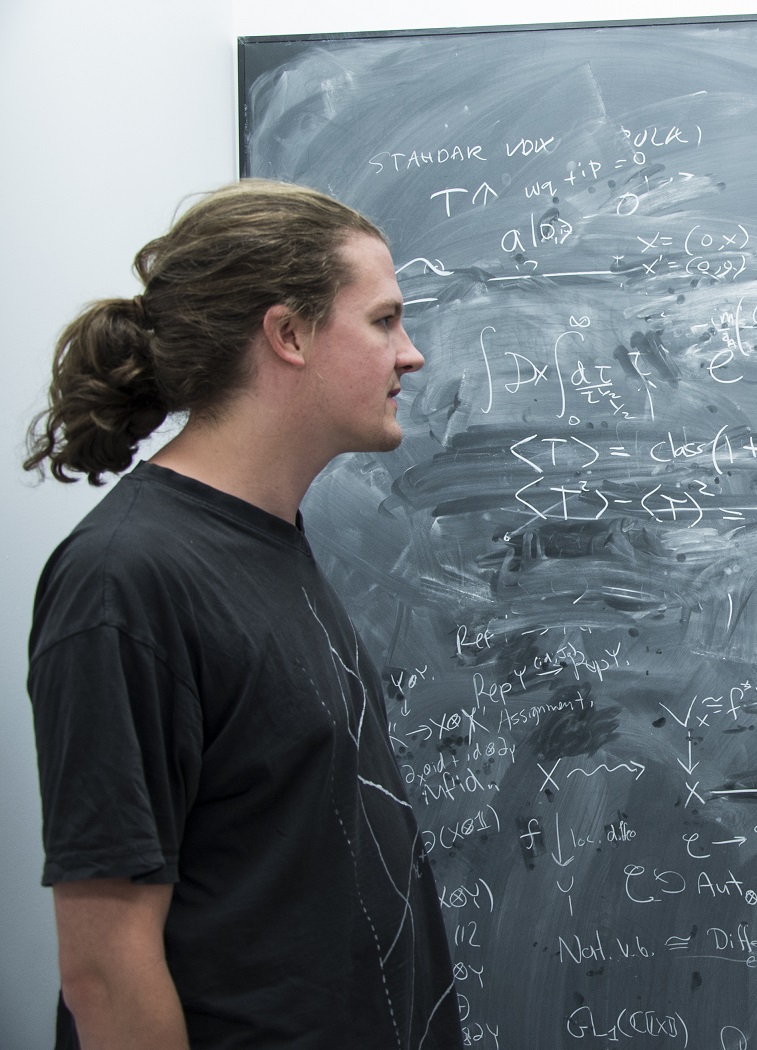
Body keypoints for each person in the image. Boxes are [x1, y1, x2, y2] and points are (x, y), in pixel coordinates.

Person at [25, 180, 461, 1049]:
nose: (409, 355)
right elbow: (105, 969)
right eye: (382, 321)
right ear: (288, 334)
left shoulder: (267, 539)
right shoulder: (128, 580)